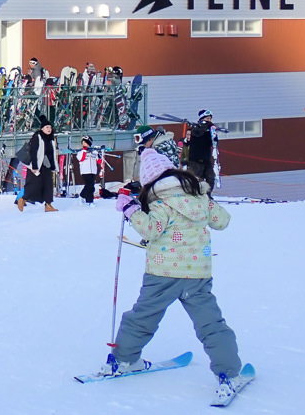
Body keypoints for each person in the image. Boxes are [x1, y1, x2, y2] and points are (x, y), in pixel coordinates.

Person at [103, 125, 244, 403]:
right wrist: (206, 202)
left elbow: (151, 230)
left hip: (161, 273)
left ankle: (124, 359)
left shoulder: (159, 201)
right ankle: (229, 371)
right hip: (196, 274)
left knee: (143, 316)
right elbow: (223, 221)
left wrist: (130, 209)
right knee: (211, 324)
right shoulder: (198, 194)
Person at [17, 115, 58, 212]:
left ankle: (48, 204)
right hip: (36, 166)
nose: (49, 129)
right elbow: (33, 151)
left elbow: (52, 153)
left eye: (50, 127)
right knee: (34, 185)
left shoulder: (51, 138)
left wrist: (54, 166)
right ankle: (23, 199)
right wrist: (34, 166)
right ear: (42, 128)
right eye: (47, 127)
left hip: (47, 166)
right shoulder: (37, 137)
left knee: (48, 186)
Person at [184, 109, 219, 192]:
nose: (209, 121)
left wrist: (214, 133)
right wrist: (206, 126)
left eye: (210, 119)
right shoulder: (196, 127)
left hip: (206, 158)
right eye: (207, 119)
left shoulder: (209, 129)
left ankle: (208, 195)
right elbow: (197, 133)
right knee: (195, 179)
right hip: (195, 159)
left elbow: (214, 142)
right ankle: (194, 195)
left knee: (210, 178)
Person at [77, 134, 99, 205]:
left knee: (90, 186)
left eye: (85, 142)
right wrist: (84, 151)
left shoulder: (93, 153)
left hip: (93, 171)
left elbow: (99, 161)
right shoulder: (80, 152)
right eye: (83, 142)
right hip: (85, 172)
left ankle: (82, 196)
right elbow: (81, 159)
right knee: (89, 186)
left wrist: (99, 153)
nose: (84, 143)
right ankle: (89, 201)